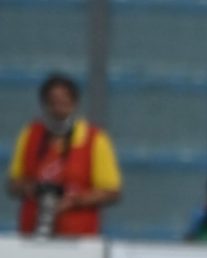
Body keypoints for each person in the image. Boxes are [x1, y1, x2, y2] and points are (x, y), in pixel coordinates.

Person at [6, 72, 121, 237]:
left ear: (74, 104)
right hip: (32, 234)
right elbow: (13, 183)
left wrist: (74, 200)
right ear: (44, 105)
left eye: (64, 103)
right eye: (52, 103)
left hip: (79, 238)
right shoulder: (30, 135)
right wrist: (31, 189)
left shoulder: (94, 139)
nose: (58, 110)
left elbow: (111, 192)